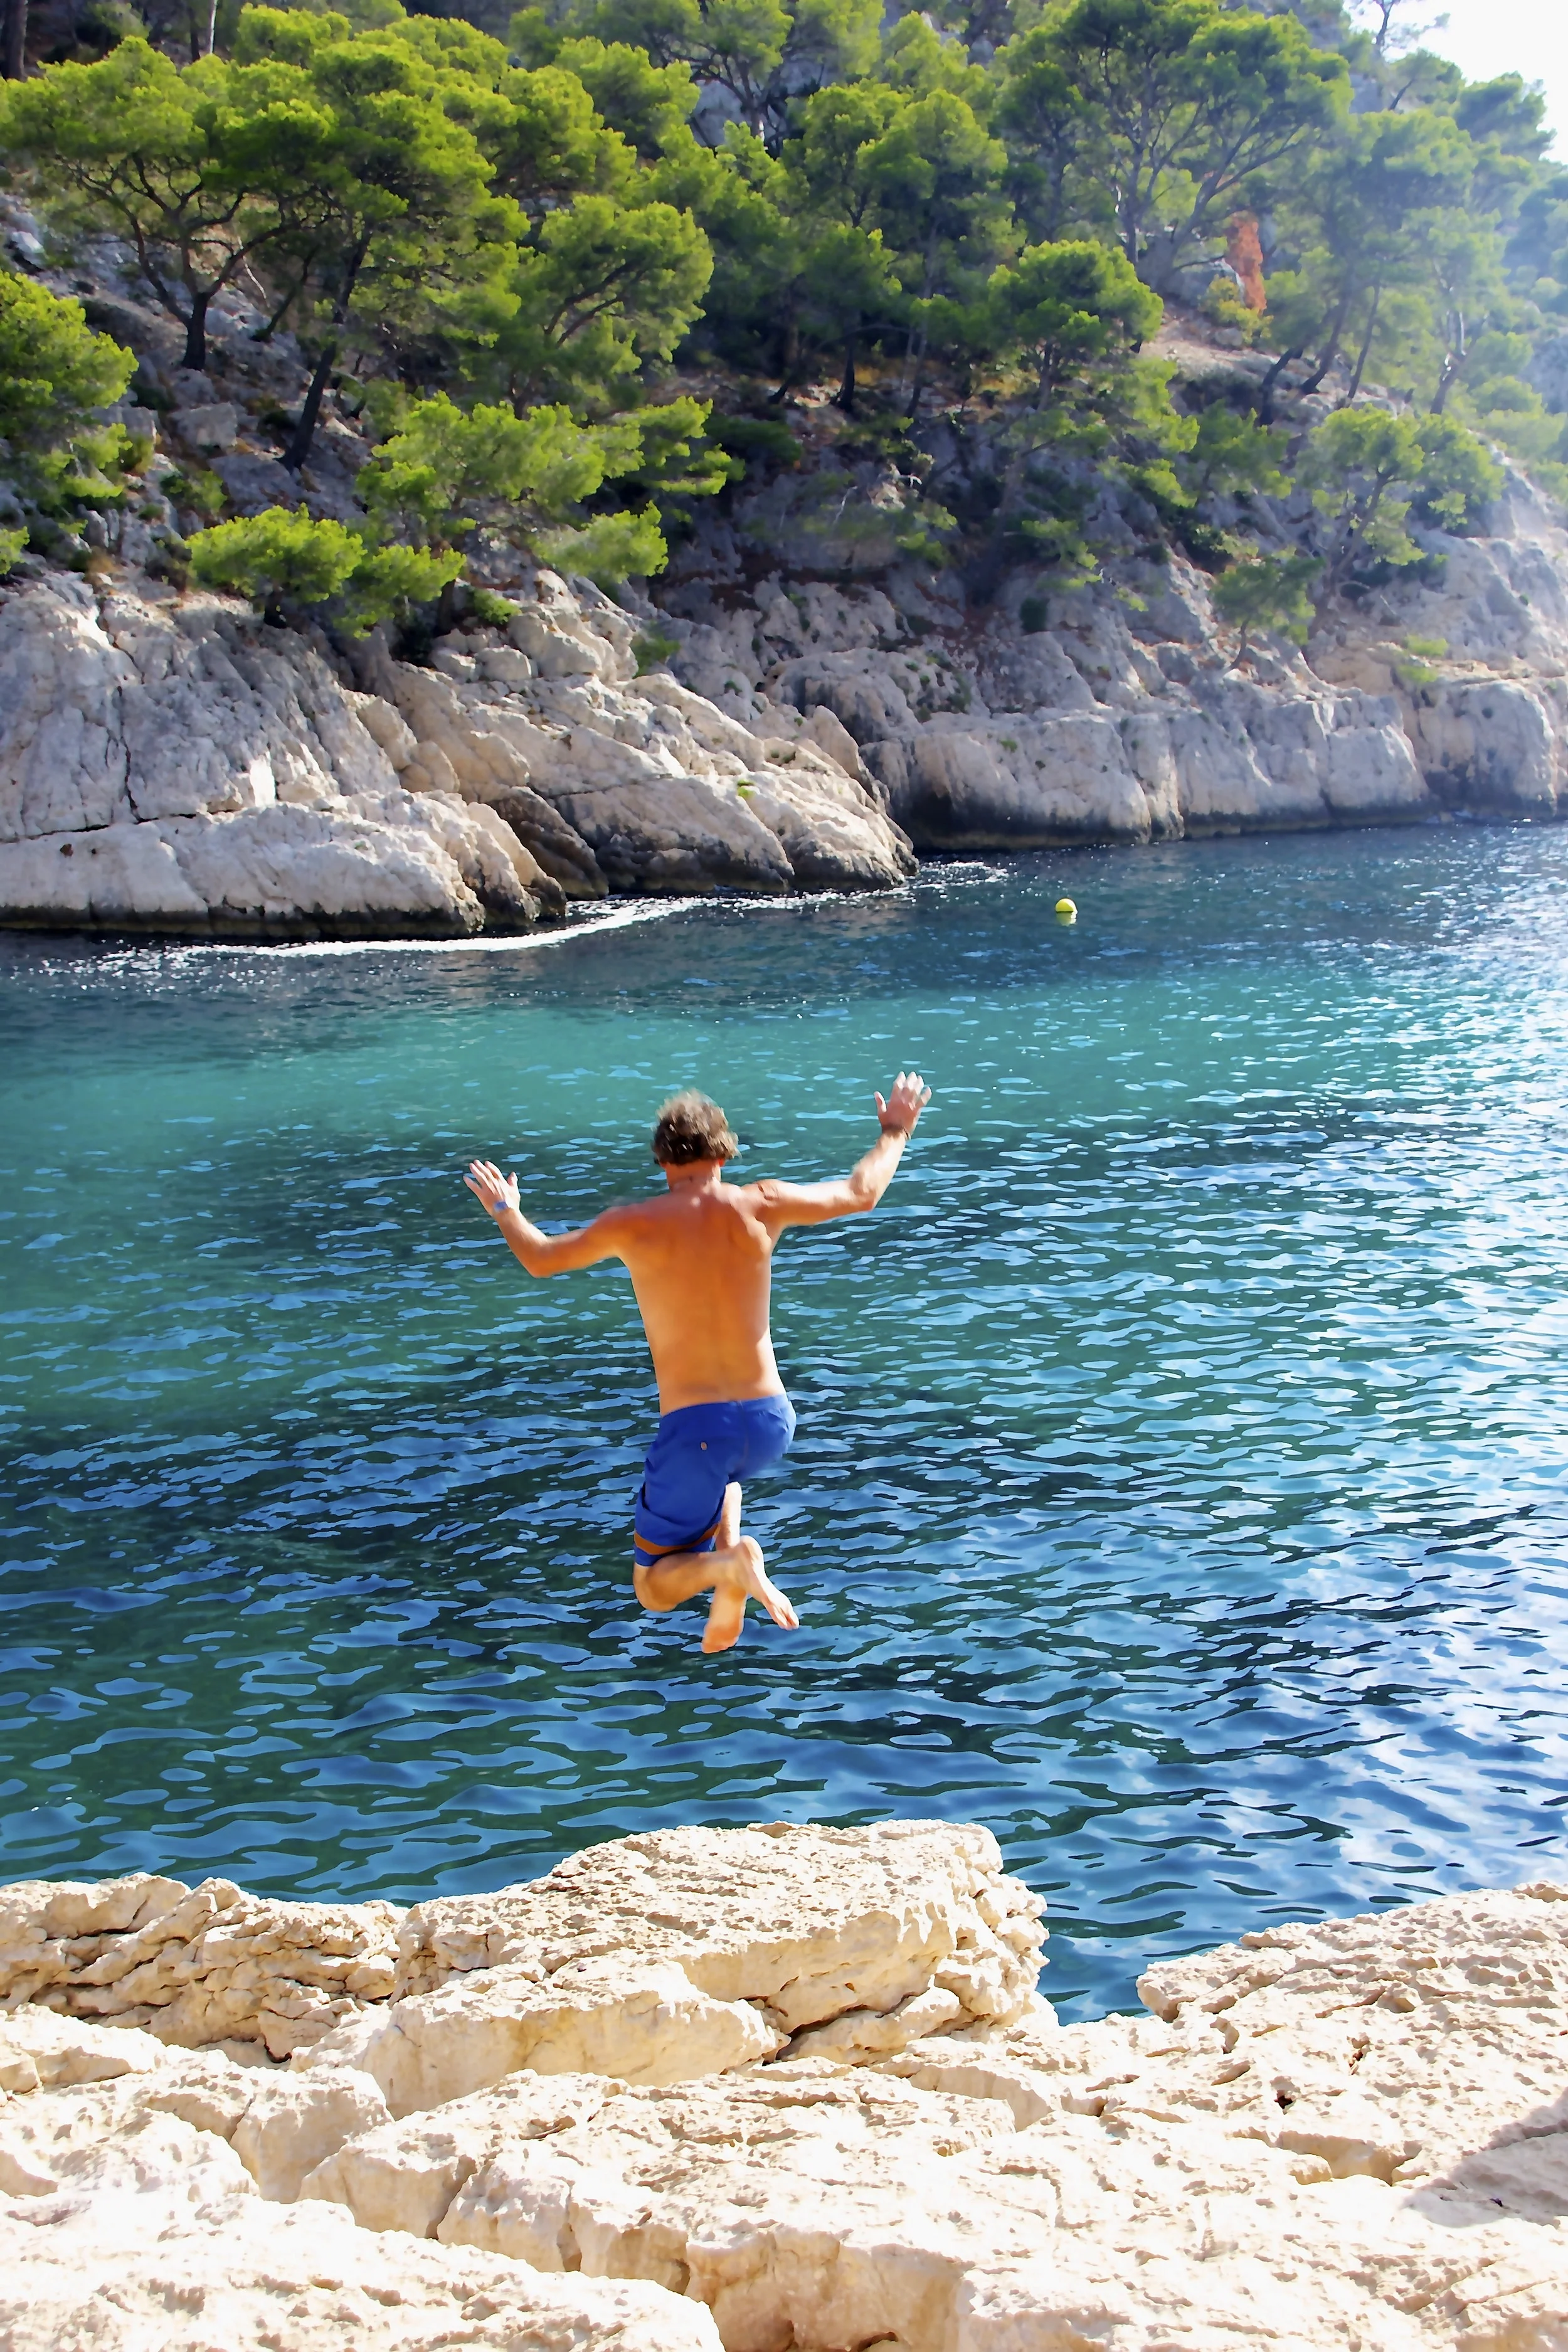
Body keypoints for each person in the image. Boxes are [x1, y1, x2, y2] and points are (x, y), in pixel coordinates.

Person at [464, 1073, 931, 1653]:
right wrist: (894, 1131)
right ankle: (729, 1563)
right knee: (726, 1478)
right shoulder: (762, 1204)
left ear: (663, 1160)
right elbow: (862, 1192)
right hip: (769, 1423)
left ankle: (727, 1569)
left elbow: (540, 1259)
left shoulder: (633, 1223)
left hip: (696, 1432)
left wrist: (506, 1210)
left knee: (653, 1587)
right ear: (724, 1152)